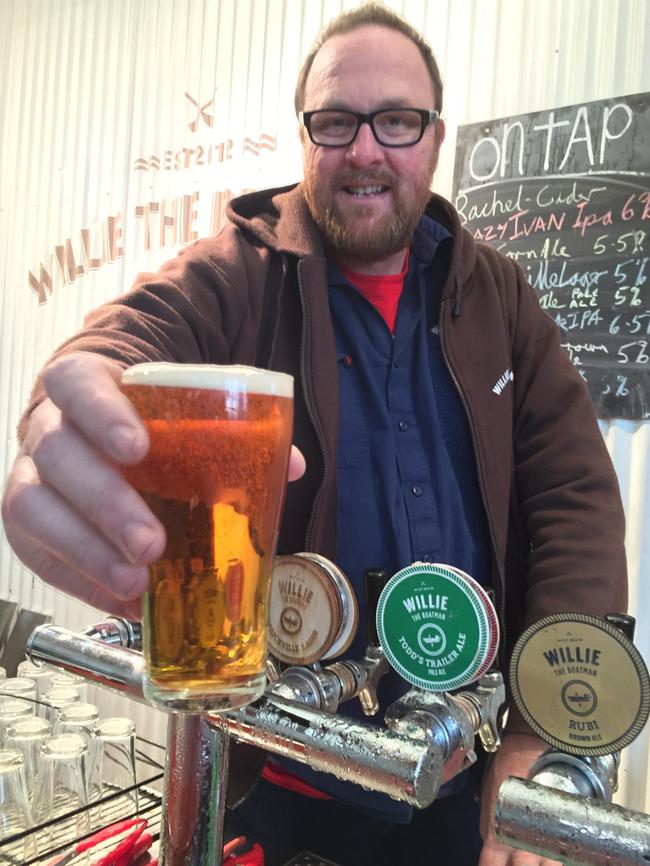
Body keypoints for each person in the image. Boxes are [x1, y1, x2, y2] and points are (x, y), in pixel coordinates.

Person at [1, 4, 626, 865]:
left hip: (476, 783)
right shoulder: (236, 272)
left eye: (396, 120)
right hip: (285, 775)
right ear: (305, 138)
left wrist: (547, 729)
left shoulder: (500, 294)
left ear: (435, 138)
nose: (365, 149)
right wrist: (64, 407)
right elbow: (126, 337)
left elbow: (575, 498)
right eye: (335, 122)